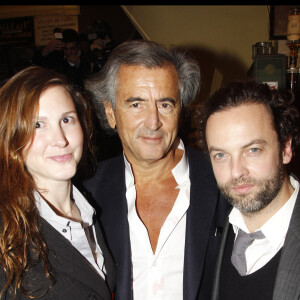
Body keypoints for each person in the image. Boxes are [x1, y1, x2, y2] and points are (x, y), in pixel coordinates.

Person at [83, 39, 230, 300]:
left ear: (180, 110)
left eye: (165, 104)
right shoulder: (86, 195)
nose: (153, 122)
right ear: (110, 112)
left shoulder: (224, 181)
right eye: (136, 104)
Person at [0, 66, 115, 299]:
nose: (60, 140)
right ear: (13, 137)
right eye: (37, 125)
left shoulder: (92, 209)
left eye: (66, 119)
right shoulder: (6, 231)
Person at [199, 81, 300, 300]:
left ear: (285, 148)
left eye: (253, 150)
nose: (236, 172)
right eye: (221, 155)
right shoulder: (218, 229)